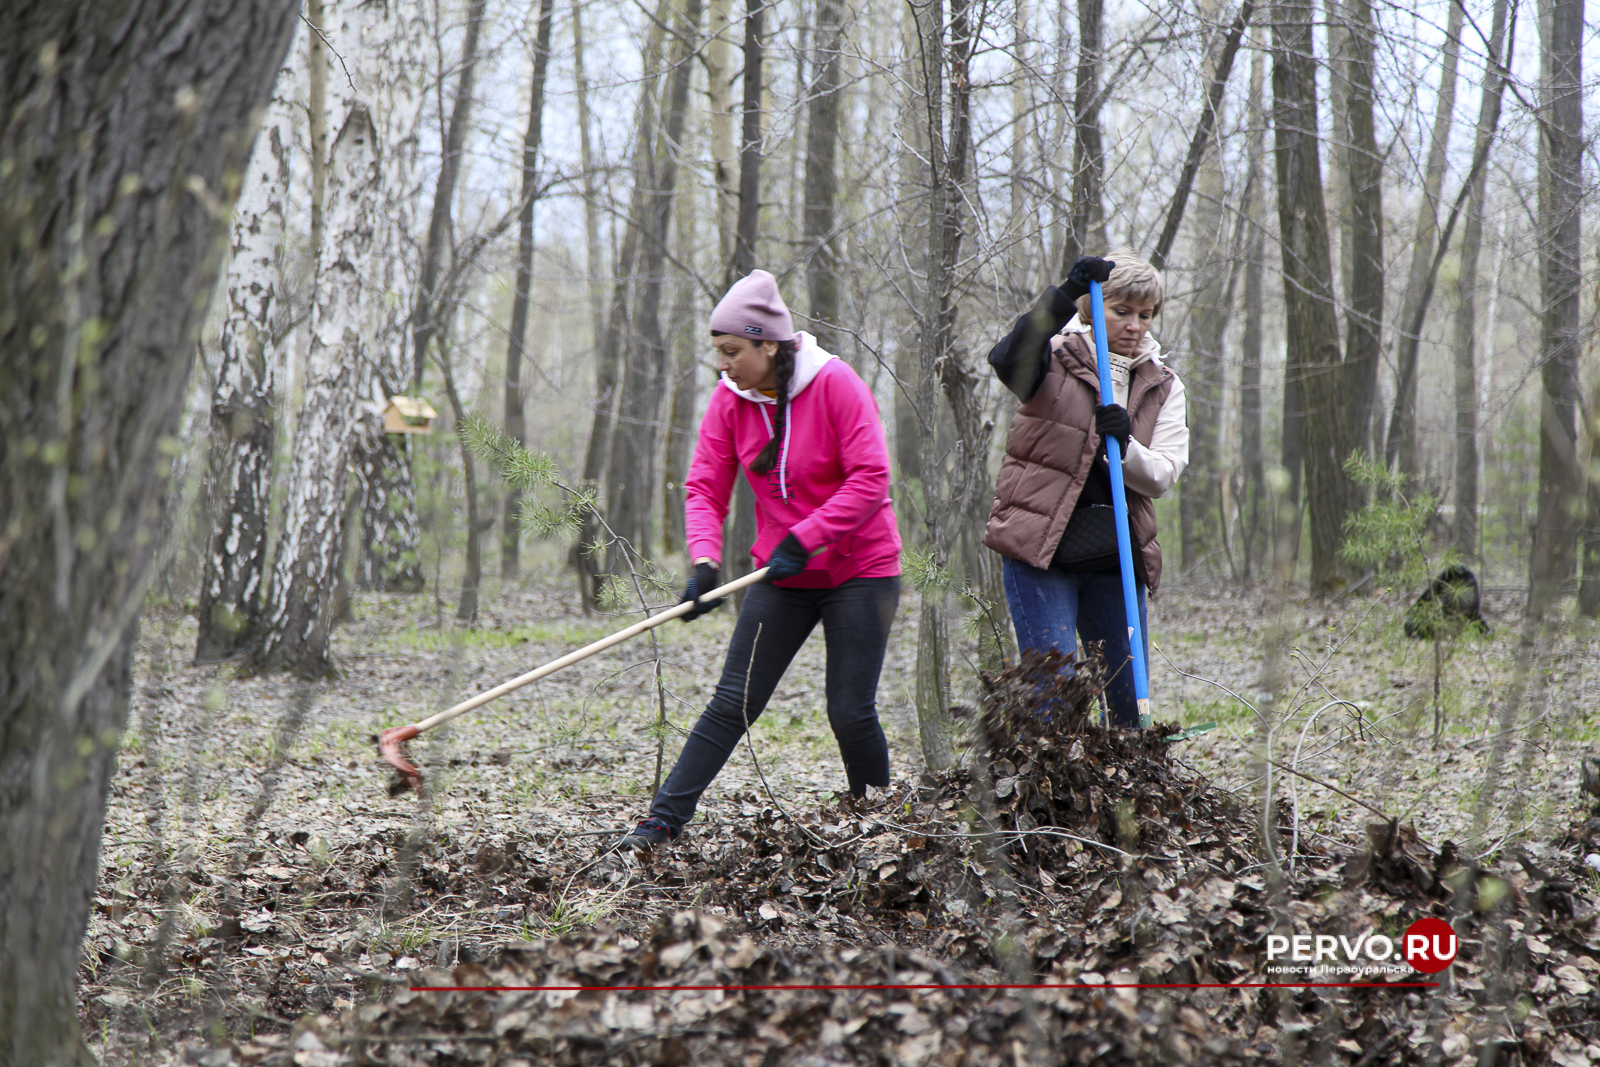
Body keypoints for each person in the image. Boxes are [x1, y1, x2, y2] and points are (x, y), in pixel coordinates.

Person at [620, 270, 903, 850]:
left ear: (768, 343)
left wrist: (810, 534)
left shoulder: (837, 386)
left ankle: (877, 826)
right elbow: (704, 486)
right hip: (783, 574)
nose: (723, 365)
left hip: (860, 570)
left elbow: (872, 478)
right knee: (734, 700)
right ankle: (661, 822)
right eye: (718, 352)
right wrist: (703, 562)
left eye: (732, 352)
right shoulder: (731, 401)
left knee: (850, 710)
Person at [982, 252, 1189, 727]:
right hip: (1042, 557)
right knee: (1053, 704)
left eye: (1145, 314)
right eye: (1121, 311)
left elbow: (1161, 473)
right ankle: (1052, 797)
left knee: (1128, 708)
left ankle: (1127, 799)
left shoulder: (1162, 384)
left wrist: (1123, 446)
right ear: (1092, 307)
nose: (1134, 325)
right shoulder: (1054, 355)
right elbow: (1005, 358)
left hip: (1116, 559)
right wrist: (1062, 293)